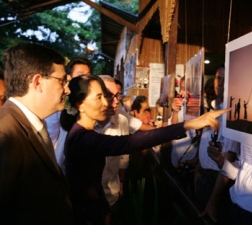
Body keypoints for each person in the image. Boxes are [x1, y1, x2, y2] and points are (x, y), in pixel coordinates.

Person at [60, 74, 228, 225]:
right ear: (80, 104)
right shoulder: (82, 138)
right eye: (99, 97)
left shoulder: (82, 133)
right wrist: (188, 124)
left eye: (105, 96)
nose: (106, 102)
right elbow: (132, 142)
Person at [0, 43, 73, 224]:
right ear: (38, 82)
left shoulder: (33, 123)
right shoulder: (5, 135)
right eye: (62, 81)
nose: (67, 89)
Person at [97, 75, 154, 224]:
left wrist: (121, 182)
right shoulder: (82, 123)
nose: (116, 101)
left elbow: (123, 157)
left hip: (112, 193)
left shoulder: (121, 120)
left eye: (118, 96)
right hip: (88, 199)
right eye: (110, 96)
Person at [194, 66, 240, 217]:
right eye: (217, 78)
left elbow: (228, 160)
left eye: (224, 79)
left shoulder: (232, 116)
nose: (219, 82)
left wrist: (213, 202)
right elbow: (204, 145)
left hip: (217, 183)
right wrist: (198, 172)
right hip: (203, 178)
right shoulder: (212, 109)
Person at [45, 57, 91, 172]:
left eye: (88, 74)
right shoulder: (60, 99)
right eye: (80, 74)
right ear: (69, 76)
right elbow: (51, 136)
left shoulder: (93, 99)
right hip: (61, 163)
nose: (85, 78)